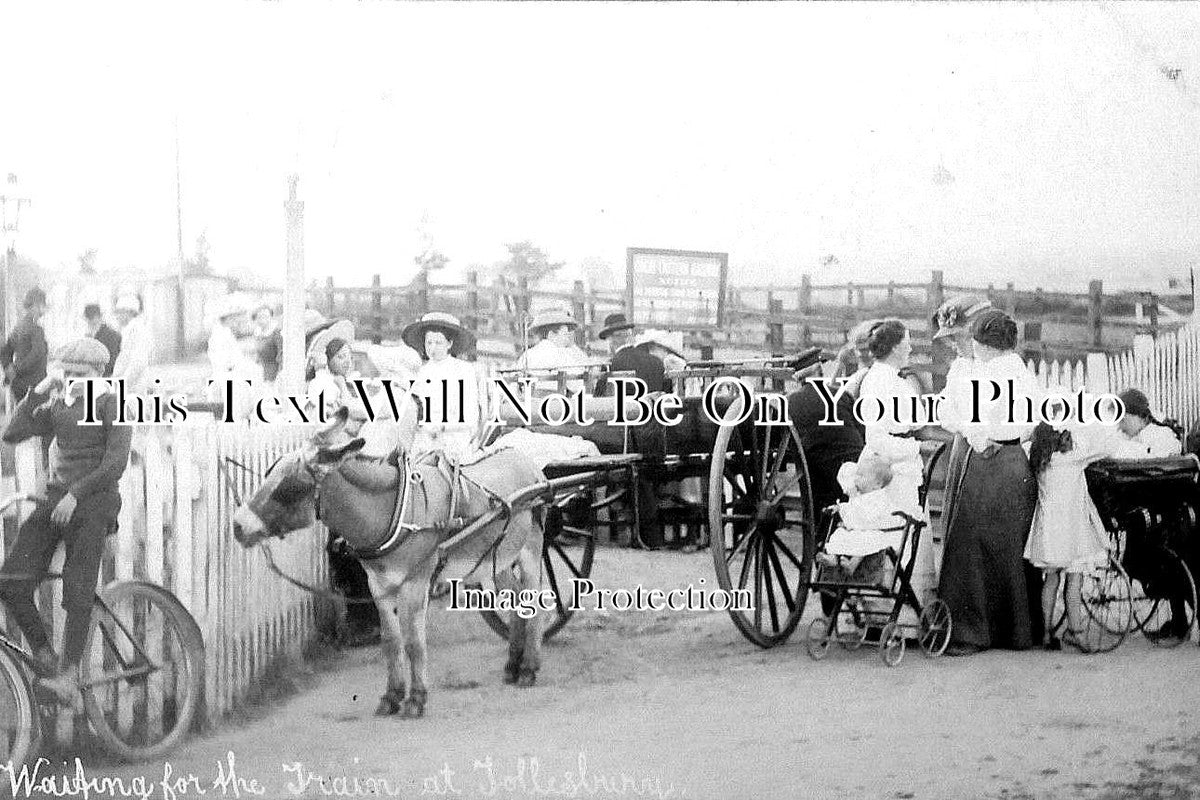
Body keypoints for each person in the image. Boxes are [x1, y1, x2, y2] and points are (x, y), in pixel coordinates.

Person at [0, 338, 132, 709]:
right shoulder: (61, 402)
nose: (73, 379)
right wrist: (38, 390)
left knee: (77, 586)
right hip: (58, 499)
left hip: (96, 499)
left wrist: (76, 494)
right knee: (10, 582)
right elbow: (12, 433)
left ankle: (70, 675)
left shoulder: (111, 402)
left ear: (100, 373)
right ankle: (45, 657)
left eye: (82, 374)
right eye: (68, 372)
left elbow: (115, 463)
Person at [938, 309, 1040, 655]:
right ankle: (1016, 631)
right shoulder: (1023, 371)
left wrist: (981, 440)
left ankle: (971, 632)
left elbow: (964, 419)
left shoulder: (986, 374)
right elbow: (1031, 422)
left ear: (984, 344)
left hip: (989, 463)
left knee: (971, 545)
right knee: (1010, 548)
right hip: (1016, 463)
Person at [1025, 416, 1113, 652]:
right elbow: (1104, 448)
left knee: (1051, 579)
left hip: (1048, 532)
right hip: (1072, 530)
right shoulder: (1073, 459)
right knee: (1074, 580)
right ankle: (1077, 633)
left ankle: (1045, 633)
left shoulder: (1039, 460)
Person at [819, 454, 921, 581]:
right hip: (862, 530)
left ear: (876, 484)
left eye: (861, 476)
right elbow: (854, 507)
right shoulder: (861, 496)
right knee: (841, 534)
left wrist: (854, 519)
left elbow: (872, 516)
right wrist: (841, 508)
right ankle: (835, 557)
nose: (856, 479)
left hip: (877, 532)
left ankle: (850, 564)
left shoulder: (880, 498)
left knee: (866, 540)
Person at [401, 312, 481, 461]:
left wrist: (444, 427)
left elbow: (471, 414)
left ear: (449, 344)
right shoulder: (423, 371)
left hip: (455, 436)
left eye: (438, 343)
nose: (432, 348)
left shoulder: (464, 370)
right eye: (429, 343)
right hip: (425, 437)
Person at [514, 308, 592, 394]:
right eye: (565, 334)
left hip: (529, 403)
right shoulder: (560, 354)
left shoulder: (527, 355)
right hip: (556, 403)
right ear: (551, 335)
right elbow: (578, 386)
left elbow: (513, 382)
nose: (567, 339)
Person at [594, 313, 668, 396]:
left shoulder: (610, 366)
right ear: (628, 335)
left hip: (626, 408)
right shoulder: (656, 361)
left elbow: (598, 398)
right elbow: (666, 392)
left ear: (611, 339)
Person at [1, 288, 49, 402]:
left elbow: (5, 351)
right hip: (36, 386)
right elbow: (37, 354)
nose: (43, 309)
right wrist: (16, 368)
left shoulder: (18, 327)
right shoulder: (37, 330)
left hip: (18, 385)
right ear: (35, 306)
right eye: (42, 305)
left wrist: (9, 369)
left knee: (21, 417)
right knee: (37, 418)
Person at [1113, 389, 1182, 458]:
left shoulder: (1160, 435)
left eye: (1122, 420)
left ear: (1138, 415)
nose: (1119, 426)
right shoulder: (1132, 437)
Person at [110, 293, 152, 394]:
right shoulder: (126, 330)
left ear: (128, 312)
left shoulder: (138, 331)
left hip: (133, 387)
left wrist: (123, 385)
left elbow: (138, 363)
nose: (117, 316)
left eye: (119, 312)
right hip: (125, 385)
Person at [83, 303, 121, 377]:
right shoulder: (88, 336)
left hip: (106, 377)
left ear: (100, 317)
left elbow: (113, 361)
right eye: (88, 320)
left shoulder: (112, 335)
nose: (90, 322)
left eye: (92, 318)